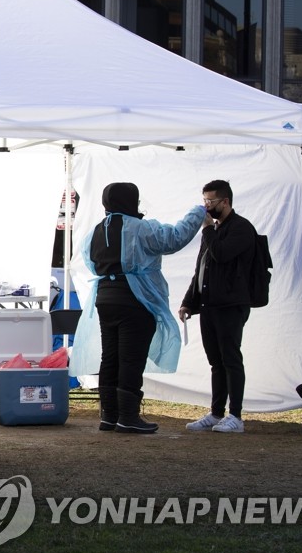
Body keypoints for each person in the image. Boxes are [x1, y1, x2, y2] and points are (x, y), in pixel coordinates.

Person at [70, 183, 203, 434]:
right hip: (135, 299)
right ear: (132, 200)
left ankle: (109, 416)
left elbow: (89, 261)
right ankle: (128, 417)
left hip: (105, 299)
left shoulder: (96, 231)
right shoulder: (140, 228)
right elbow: (174, 238)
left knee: (110, 357)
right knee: (131, 358)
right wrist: (198, 212)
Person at [179, 180, 258, 434]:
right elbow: (202, 268)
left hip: (231, 305)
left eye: (210, 202)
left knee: (231, 358)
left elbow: (222, 254)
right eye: (204, 201)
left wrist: (207, 231)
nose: (206, 206)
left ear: (225, 202)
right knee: (216, 362)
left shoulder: (242, 229)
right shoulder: (212, 231)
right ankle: (216, 413)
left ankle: (236, 415)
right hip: (209, 305)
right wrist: (189, 301)